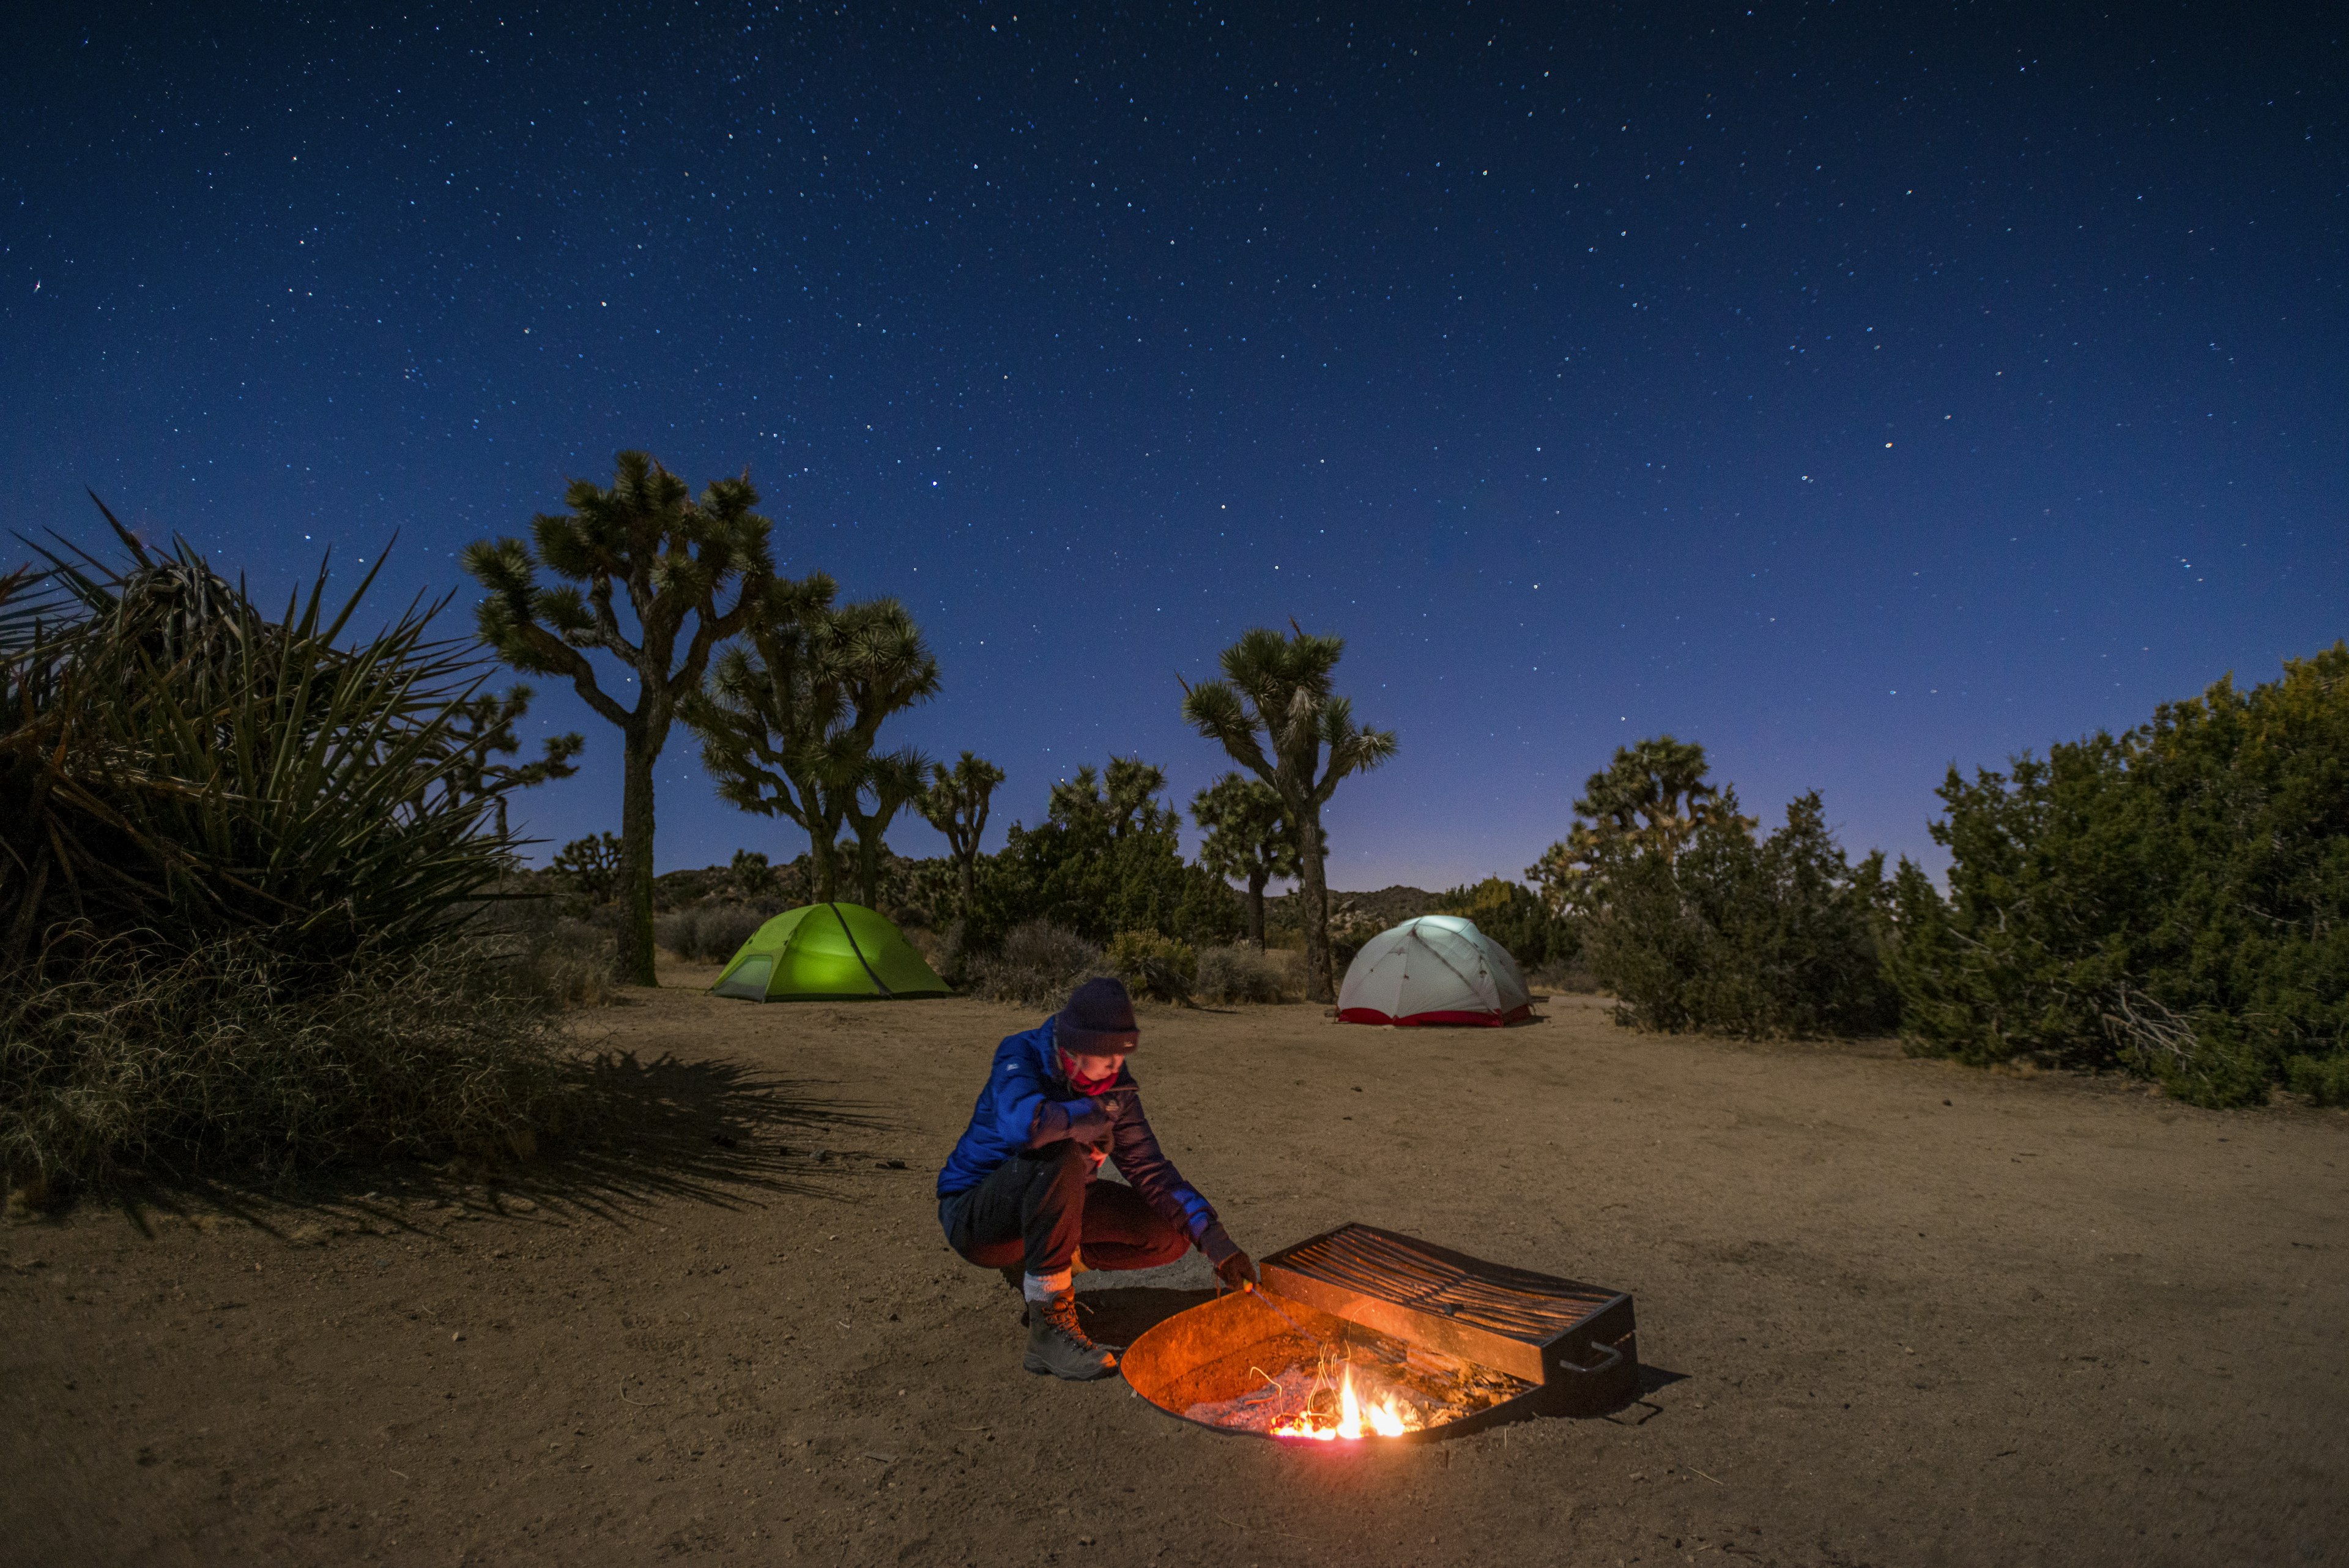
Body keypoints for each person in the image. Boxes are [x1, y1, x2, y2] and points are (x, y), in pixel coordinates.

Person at [937, 976, 1258, 1380]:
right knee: (1059, 1153)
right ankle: (1048, 1331)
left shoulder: (1116, 1091)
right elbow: (1025, 1125)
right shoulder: (1020, 1055)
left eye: (1120, 1058)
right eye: (1105, 1057)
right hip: (977, 1214)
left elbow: (1152, 1170)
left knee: (1168, 1234)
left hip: (1056, 1202)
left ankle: (1043, 1266)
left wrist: (1217, 1243)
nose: (1114, 1067)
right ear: (1073, 1046)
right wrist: (1089, 1117)